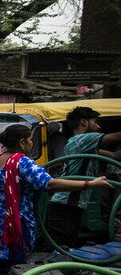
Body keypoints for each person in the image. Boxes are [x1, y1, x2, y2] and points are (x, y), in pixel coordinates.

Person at [0, 124, 112, 275]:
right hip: (12, 226)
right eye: (31, 140)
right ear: (22, 142)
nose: (32, 144)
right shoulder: (22, 162)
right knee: (12, 272)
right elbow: (50, 184)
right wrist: (89, 184)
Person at [45, 106, 121, 249]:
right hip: (65, 205)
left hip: (74, 206)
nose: (98, 126)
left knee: (66, 248)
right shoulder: (83, 139)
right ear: (84, 122)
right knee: (56, 251)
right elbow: (116, 137)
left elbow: (114, 156)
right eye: (96, 122)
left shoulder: (81, 144)